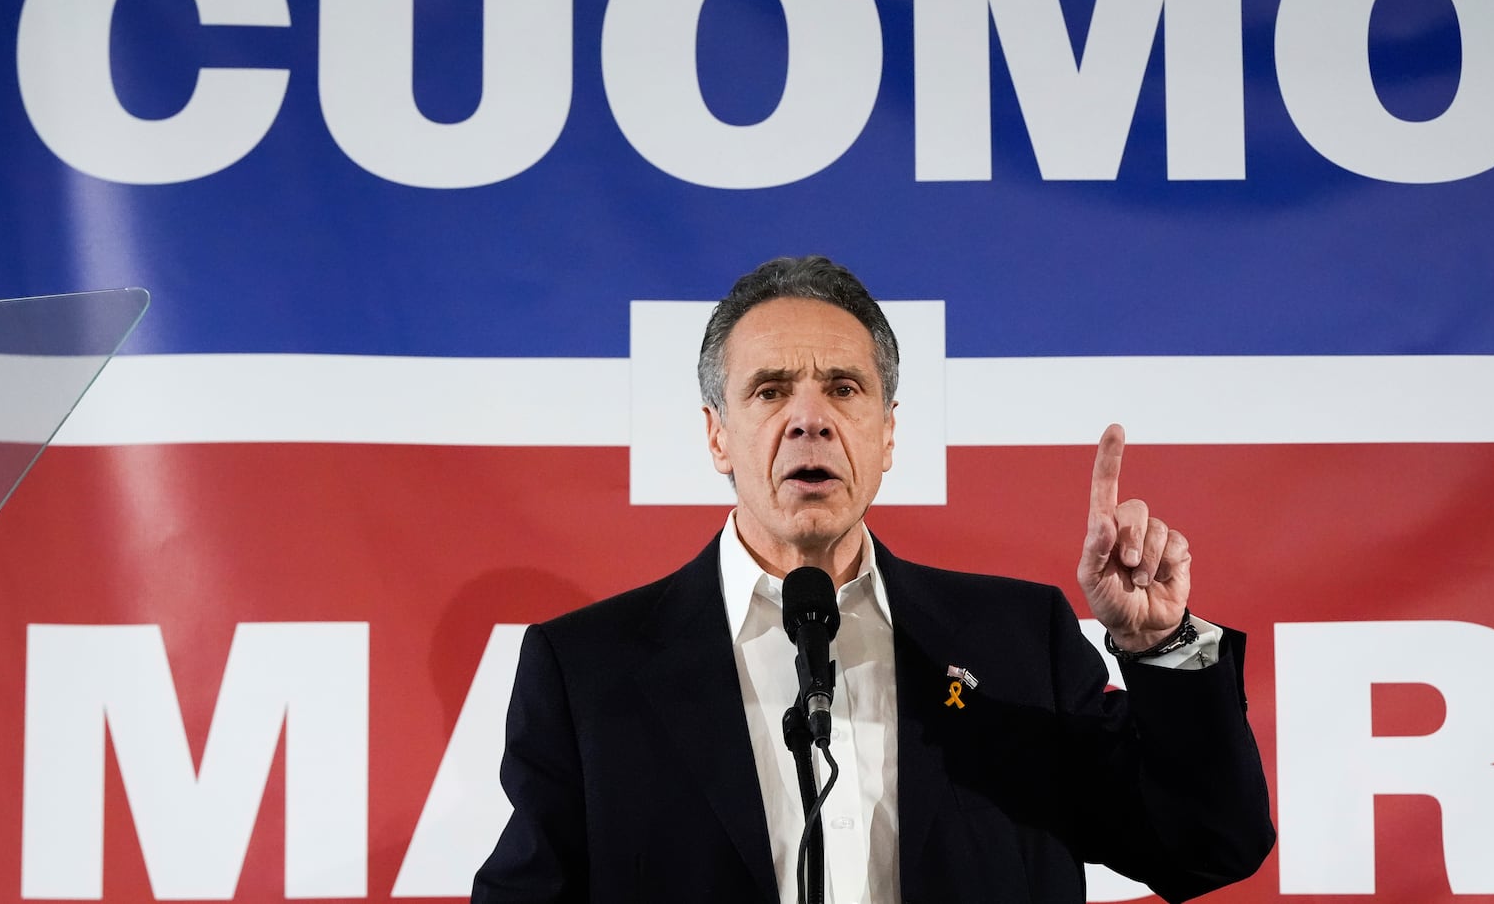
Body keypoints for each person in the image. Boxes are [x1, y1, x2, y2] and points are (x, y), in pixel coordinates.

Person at [472, 255, 1274, 904]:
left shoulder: (1015, 639)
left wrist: (1160, 643)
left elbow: (1206, 845)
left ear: (887, 434)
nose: (809, 417)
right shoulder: (589, 672)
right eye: (771, 389)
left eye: (844, 389)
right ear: (718, 435)